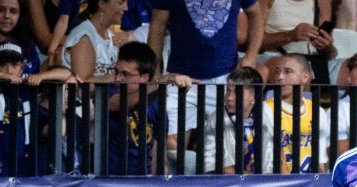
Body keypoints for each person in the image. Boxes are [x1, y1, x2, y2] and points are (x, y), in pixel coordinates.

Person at [147, 0, 264, 163]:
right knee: (171, 146)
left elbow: (256, 15)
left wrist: (251, 56)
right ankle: (185, 178)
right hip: (180, 76)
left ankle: (214, 177)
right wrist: (155, 72)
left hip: (225, 76)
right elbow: (157, 24)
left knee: (228, 146)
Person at [0, 41, 72, 176]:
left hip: (25, 165)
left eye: (14, 65)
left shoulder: (27, 89)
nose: (9, 71)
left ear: (21, 68)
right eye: (2, 65)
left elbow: (67, 74)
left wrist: (40, 76)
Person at [264, 53, 330, 173]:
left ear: (305, 77)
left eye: (287, 71)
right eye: (277, 72)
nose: (280, 77)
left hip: (310, 181)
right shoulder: (266, 109)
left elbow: (320, 163)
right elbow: (272, 162)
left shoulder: (317, 111)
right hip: (279, 181)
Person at [203, 66, 275, 174]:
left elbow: (272, 160)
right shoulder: (217, 119)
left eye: (237, 92)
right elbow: (219, 167)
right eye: (228, 91)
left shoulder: (266, 113)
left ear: (254, 97)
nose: (229, 98)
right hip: (230, 182)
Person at [107, 41, 159, 175]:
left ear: (144, 78)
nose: (118, 78)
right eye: (116, 72)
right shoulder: (109, 91)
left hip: (143, 182)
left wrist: (158, 183)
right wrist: (158, 83)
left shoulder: (156, 103)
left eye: (126, 74)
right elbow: (116, 104)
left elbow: (157, 151)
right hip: (110, 181)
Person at [61, 0, 127, 82]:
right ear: (102, 4)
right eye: (120, 3)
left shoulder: (113, 36)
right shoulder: (83, 37)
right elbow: (83, 83)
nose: (126, 8)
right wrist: (121, 78)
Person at [0, 0, 42, 76]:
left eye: (13, 11)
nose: (6, 16)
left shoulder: (29, 48)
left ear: (20, 15)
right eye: (0, 10)